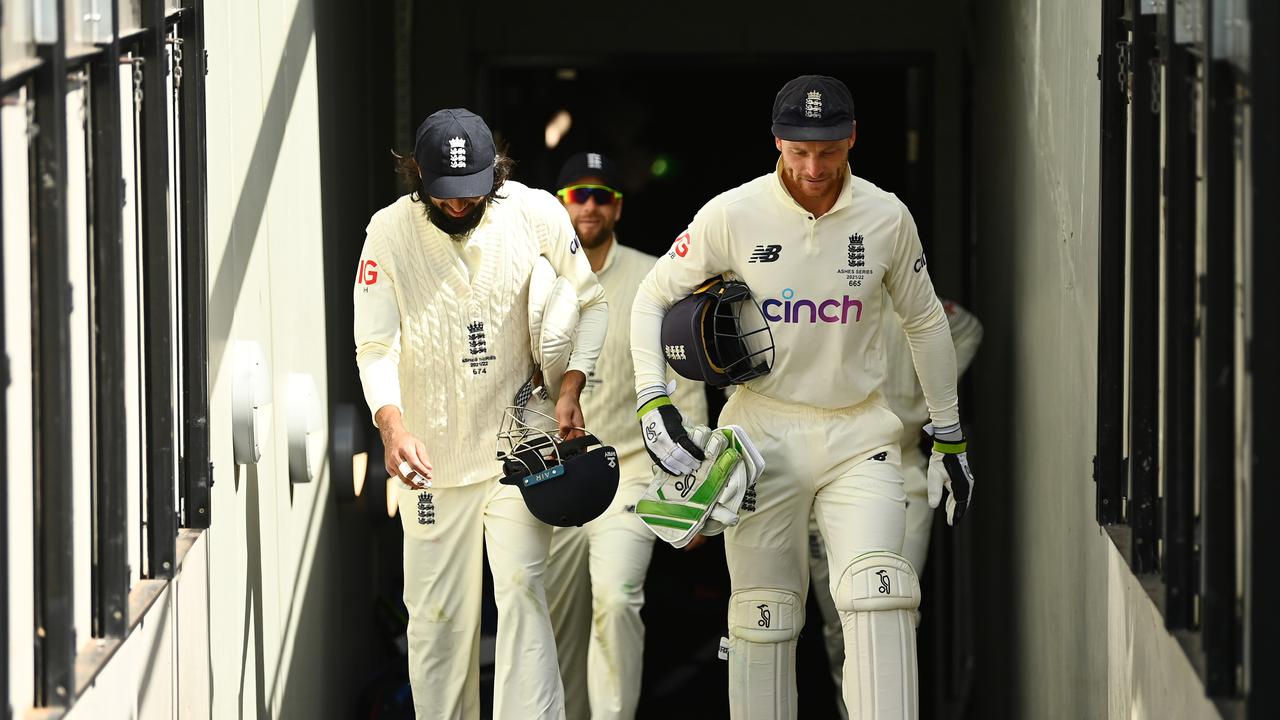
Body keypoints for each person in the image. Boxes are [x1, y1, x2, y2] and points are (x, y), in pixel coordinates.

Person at [628, 75, 976, 719]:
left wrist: (948, 434)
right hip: (761, 436)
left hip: (860, 433)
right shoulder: (732, 213)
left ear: (852, 139)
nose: (814, 168)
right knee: (764, 617)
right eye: (798, 151)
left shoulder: (886, 216)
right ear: (777, 143)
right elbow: (652, 296)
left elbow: (926, 323)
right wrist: (655, 402)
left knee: (881, 598)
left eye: (829, 151)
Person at [353, 108, 608, 718]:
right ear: (418, 178)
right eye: (446, 196)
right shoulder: (387, 233)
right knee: (437, 624)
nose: (461, 206)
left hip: (519, 451)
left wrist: (571, 384)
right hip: (431, 463)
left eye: (473, 194)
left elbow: (592, 302)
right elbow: (375, 345)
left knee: (523, 590)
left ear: (497, 173)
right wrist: (393, 426)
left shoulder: (535, 211)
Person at [543, 151, 708, 720]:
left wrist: (694, 495)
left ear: (618, 206)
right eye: (577, 194)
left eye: (600, 195)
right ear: (559, 203)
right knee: (555, 625)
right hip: (555, 474)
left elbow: (685, 390)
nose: (589, 205)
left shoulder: (653, 277)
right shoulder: (535, 275)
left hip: (632, 473)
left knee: (615, 600)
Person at [808, 296, 984, 719]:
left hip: (900, 466)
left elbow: (967, 329)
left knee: (893, 613)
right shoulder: (819, 297)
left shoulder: (912, 299)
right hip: (823, 477)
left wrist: (923, 405)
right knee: (840, 627)